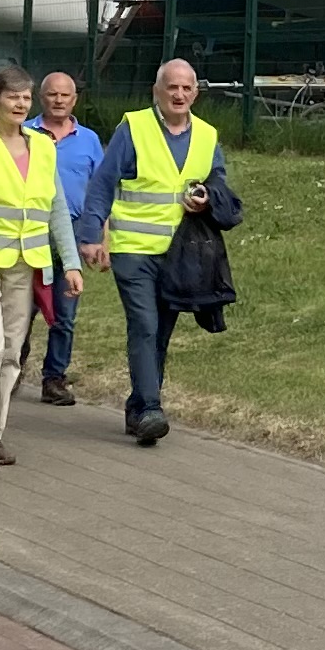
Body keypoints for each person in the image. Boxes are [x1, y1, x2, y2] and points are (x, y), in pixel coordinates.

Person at [74, 56, 228, 446]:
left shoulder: (207, 135)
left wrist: (208, 196)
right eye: (171, 87)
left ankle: (137, 407)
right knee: (144, 324)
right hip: (133, 250)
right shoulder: (134, 128)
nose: (179, 94)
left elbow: (219, 181)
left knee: (161, 333)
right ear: (156, 91)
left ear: (195, 93)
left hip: (180, 254)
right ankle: (151, 408)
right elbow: (103, 183)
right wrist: (91, 235)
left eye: (186, 88)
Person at [0, 66, 79, 476]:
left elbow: (56, 207)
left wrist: (71, 262)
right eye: (12, 96)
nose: (20, 104)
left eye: (26, 97)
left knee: (11, 350)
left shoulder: (43, 147)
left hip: (28, 261)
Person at [32, 71, 104, 406]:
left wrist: (100, 238)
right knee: (21, 310)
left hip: (73, 233)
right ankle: (10, 366)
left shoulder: (89, 140)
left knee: (65, 312)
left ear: (75, 100)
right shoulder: (24, 133)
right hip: (31, 231)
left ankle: (54, 378)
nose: (58, 100)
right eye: (52, 94)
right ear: (41, 97)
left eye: (65, 95)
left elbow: (100, 192)